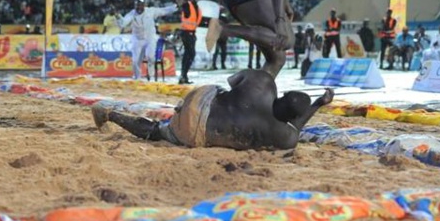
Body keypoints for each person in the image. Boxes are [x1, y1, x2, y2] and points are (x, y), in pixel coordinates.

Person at [91, 69, 335, 150]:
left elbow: (231, 81)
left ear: (282, 94)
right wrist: (318, 105)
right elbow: (298, 126)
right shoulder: (285, 136)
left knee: (220, 89)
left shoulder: (263, 82)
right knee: (158, 132)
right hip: (197, 132)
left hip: (200, 99)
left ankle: (111, 113)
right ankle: (110, 115)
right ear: (291, 119)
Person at [119, 0, 178, 80]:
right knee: (136, 61)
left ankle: (150, 75)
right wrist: (117, 15)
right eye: (137, 6)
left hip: (150, 39)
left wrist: (175, 6)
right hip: (137, 39)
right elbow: (123, 23)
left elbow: (164, 10)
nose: (139, 8)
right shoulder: (131, 14)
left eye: (140, 6)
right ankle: (137, 78)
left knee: (150, 57)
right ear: (134, 6)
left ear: (144, 6)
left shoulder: (151, 11)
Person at [176, 0, 202, 84]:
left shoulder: (196, 7)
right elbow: (179, 2)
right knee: (190, 54)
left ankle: (184, 76)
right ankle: (183, 75)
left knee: (189, 55)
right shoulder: (188, 5)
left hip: (191, 33)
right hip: (187, 33)